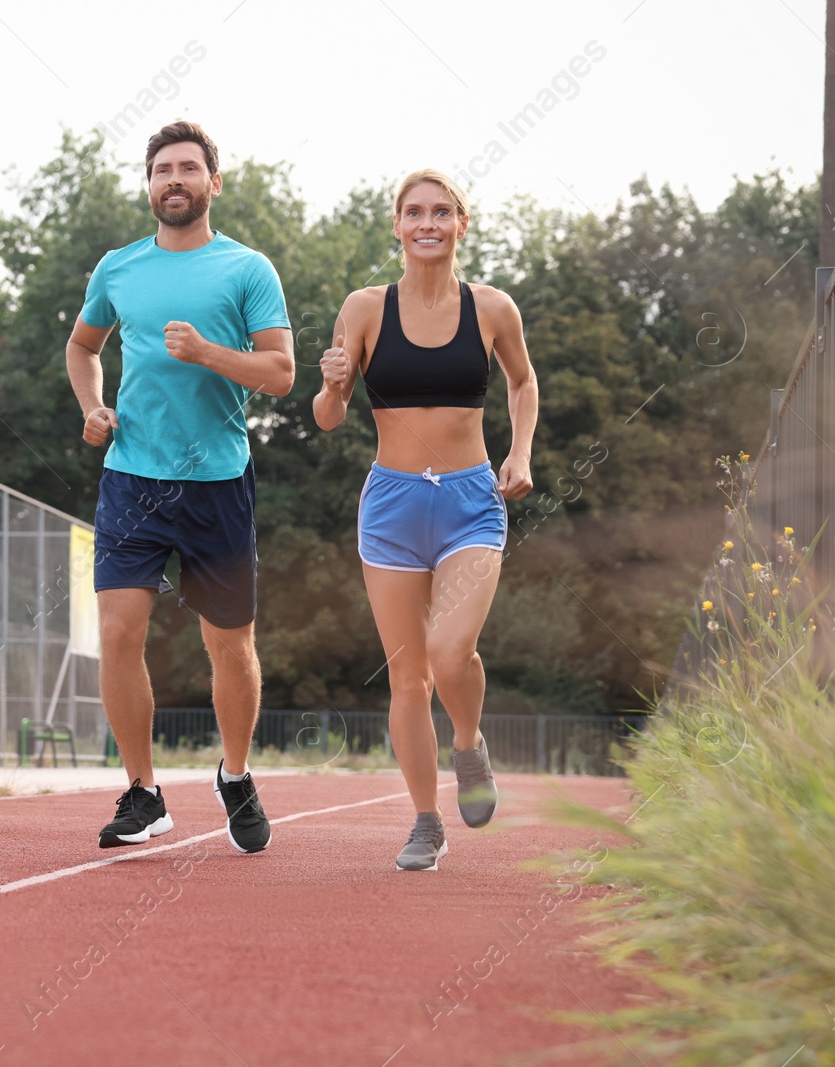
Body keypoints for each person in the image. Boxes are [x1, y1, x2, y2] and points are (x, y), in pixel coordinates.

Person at [65, 120, 294, 854]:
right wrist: (93, 406)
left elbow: (282, 373)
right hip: (132, 476)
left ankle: (235, 773)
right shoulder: (118, 268)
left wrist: (207, 352)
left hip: (217, 481)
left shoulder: (248, 269)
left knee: (230, 647)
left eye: (188, 168)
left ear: (212, 183)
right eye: (162, 168)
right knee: (118, 632)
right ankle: (143, 791)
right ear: (149, 183)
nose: (174, 178)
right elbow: (81, 346)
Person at [313, 169, 537, 871]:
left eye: (441, 211)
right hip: (392, 505)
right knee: (409, 679)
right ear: (397, 225)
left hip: (472, 500)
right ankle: (425, 820)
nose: (427, 223)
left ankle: (468, 745)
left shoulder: (493, 307)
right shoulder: (364, 308)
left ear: (461, 224)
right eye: (414, 212)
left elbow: (523, 381)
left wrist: (520, 450)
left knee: (451, 653)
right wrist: (331, 385)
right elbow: (327, 418)